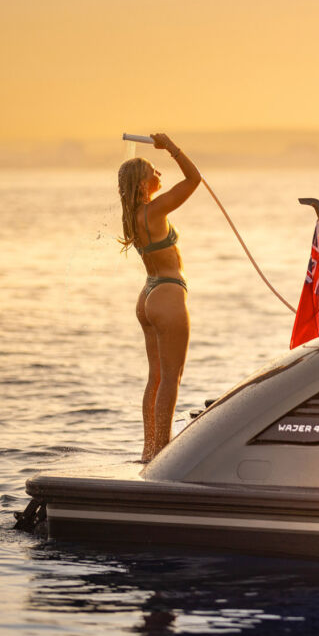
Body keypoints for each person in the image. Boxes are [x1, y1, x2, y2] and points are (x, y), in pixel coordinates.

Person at [117, 133, 201, 462]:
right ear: (141, 186)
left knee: (155, 377)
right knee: (171, 378)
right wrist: (173, 148)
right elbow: (194, 179)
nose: (159, 175)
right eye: (154, 172)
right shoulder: (154, 210)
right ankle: (162, 452)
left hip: (148, 295)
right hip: (166, 293)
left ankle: (148, 450)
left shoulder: (134, 215)